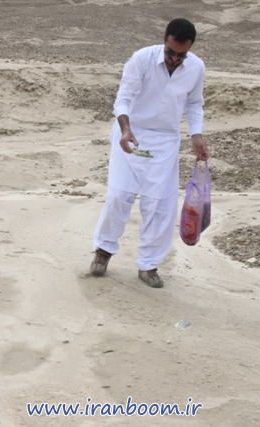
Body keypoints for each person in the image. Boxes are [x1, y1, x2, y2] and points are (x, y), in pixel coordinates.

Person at [90, 18, 209, 287]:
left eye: (181, 55)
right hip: (130, 133)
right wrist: (125, 129)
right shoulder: (142, 59)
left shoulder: (196, 67)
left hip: (165, 140)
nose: (174, 59)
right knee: (119, 195)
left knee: (159, 204)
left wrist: (197, 137)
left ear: (190, 48)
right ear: (164, 40)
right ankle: (103, 252)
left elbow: (194, 104)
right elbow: (124, 97)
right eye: (170, 52)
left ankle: (149, 265)